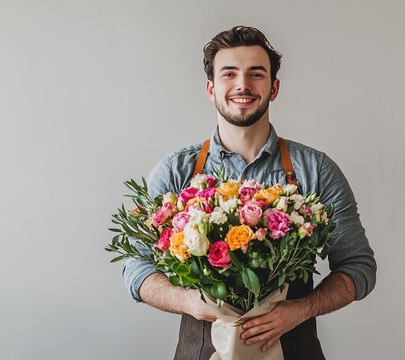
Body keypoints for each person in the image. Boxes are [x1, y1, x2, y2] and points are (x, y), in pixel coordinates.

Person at [121, 26, 377, 359]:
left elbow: (359, 267)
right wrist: (188, 301)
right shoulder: (176, 171)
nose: (243, 84)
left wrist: (301, 309)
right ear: (211, 88)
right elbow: (135, 267)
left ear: (274, 87)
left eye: (256, 74)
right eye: (230, 74)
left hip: (294, 350)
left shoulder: (315, 169)